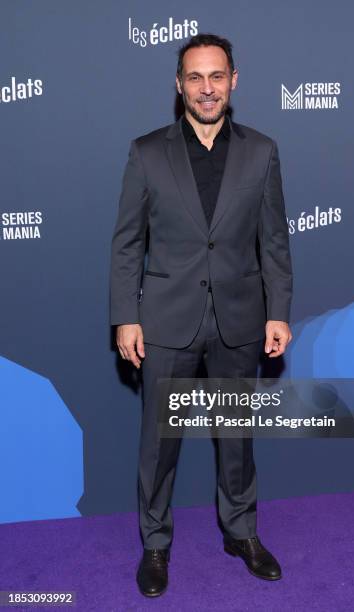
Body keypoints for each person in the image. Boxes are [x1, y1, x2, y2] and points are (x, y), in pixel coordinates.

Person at [109, 33, 293, 598]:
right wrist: (125, 316)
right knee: (159, 443)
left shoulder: (262, 150)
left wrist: (278, 312)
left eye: (216, 77)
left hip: (240, 319)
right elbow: (126, 243)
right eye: (195, 77)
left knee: (237, 440)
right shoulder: (147, 152)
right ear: (179, 85)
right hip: (166, 320)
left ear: (233, 80)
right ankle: (156, 544)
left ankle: (241, 533)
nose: (206, 88)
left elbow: (274, 243)